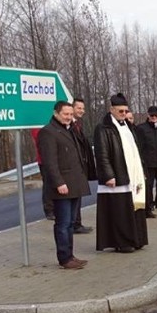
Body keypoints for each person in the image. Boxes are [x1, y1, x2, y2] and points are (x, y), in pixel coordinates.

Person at [37, 101, 91, 269]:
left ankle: (70, 255)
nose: (68, 117)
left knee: (70, 223)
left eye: (70, 114)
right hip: (62, 186)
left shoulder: (70, 130)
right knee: (63, 223)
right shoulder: (48, 132)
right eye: (65, 114)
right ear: (56, 113)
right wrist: (59, 182)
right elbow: (49, 162)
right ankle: (64, 258)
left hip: (75, 183)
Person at [93, 93, 148, 253]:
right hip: (117, 175)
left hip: (132, 176)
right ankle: (122, 242)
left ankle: (137, 238)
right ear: (112, 110)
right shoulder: (103, 128)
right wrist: (108, 175)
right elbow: (101, 154)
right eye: (120, 111)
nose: (124, 114)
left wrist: (141, 171)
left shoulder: (128, 127)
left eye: (125, 111)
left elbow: (136, 151)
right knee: (120, 211)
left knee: (134, 208)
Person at [70, 97, 95, 234]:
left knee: (78, 196)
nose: (82, 111)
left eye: (83, 108)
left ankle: (77, 223)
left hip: (81, 166)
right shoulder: (70, 126)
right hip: (75, 167)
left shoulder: (77, 124)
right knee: (74, 197)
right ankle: (74, 224)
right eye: (79, 108)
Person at [30, 127, 55, 220]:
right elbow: (40, 140)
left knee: (55, 183)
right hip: (44, 160)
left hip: (55, 158)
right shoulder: (38, 126)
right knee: (48, 184)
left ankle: (55, 208)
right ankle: (49, 209)